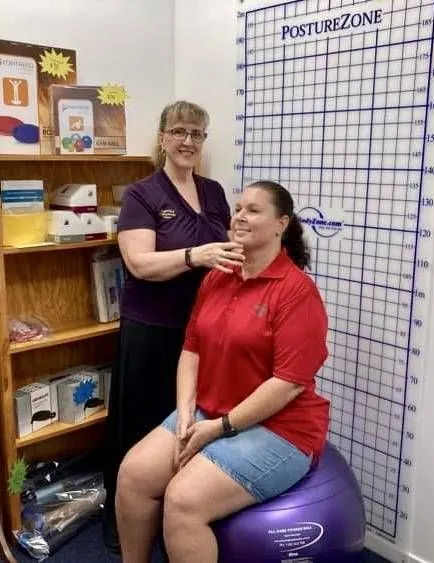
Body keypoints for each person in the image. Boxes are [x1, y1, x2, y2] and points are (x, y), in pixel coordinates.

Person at [115, 180, 331, 563]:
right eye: (237, 208)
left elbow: (287, 386)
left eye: (253, 209)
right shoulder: (218, 276)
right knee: (133, 474)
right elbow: (191, 350)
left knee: (182, 500)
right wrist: (184, 414)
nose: (240, 217)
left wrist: (218, 429)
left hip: (281, 429)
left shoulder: (297, 292)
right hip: (208, 412)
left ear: (282, 223)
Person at [102, 100, 245, 552]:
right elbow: (139, 263)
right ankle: (122, 522)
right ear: (163, 136)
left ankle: (175, 520)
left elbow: (232, 246)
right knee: (141, 429)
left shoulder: (215, 191)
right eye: (180, 131)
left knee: (189, 423)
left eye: (198, 134)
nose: (189, 142)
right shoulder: (142, 194)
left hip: (203, 332)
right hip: (153, 330)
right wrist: (194, 255)